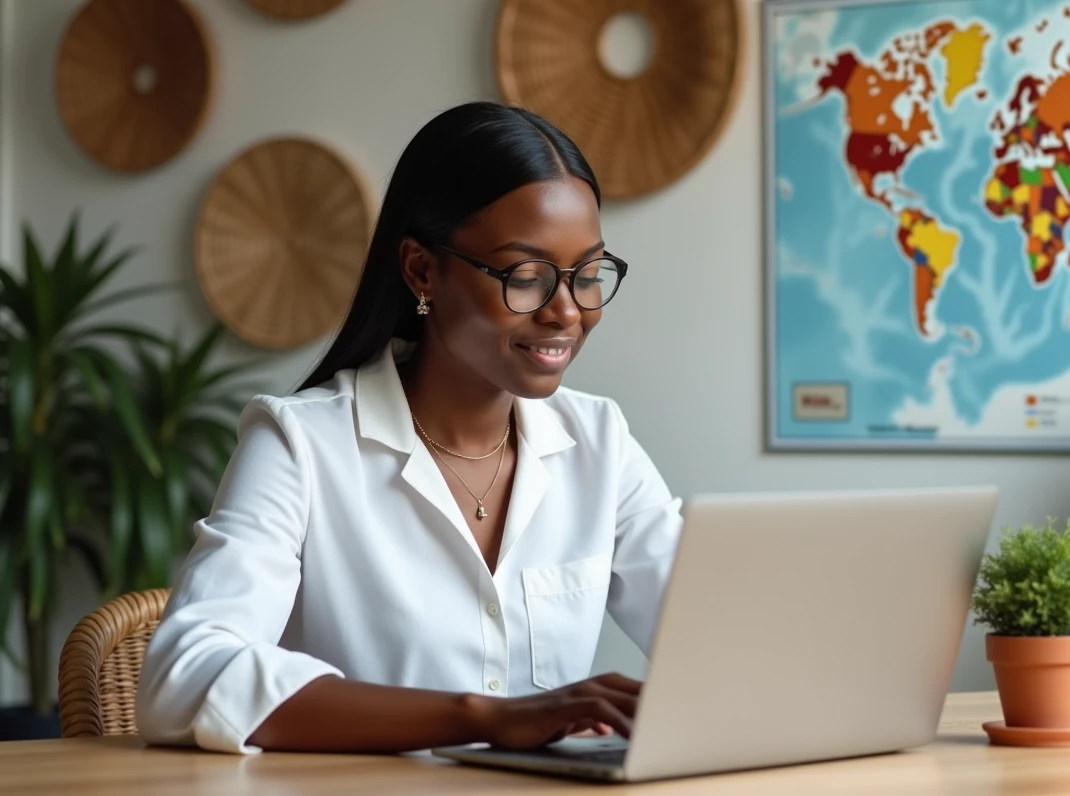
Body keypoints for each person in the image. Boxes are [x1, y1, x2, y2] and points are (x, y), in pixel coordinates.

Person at [135, 101, 683, 754]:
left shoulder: (600, 442)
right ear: (423, 270)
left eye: (587, 275)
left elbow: (723, 640)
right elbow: (181, 676)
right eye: (527, 277)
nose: (567, 312)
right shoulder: (300, 445)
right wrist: (479, 717)